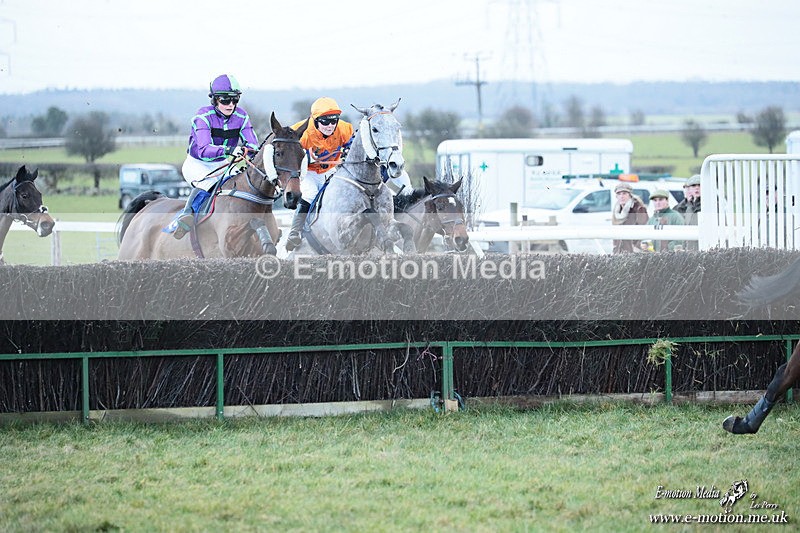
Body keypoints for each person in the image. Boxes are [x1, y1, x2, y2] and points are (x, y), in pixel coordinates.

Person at [167, 74, 259, 239]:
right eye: (225, 100)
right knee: (210, 185)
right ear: (215, 100)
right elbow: (204, 149)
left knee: (238, 188)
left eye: (235, 100)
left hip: (222, 164)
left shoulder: (242, 116)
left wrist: (248, 151)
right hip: (197, 164)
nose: (231, 105)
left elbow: (253, 145)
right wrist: (229, 150)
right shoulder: (202, 116)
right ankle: (185, 216)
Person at [285, 97, 355, 251]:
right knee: (310, 193)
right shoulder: (301, 132)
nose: (330, 125)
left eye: (334, 120)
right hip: (307, 172)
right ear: (315, 120)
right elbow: (289, 157)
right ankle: (294, 232)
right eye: (325, 121)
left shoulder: (344, 128)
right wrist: (307, 156)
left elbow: (353, 145)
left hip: (330, 170)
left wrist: (349, 150)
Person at [611, 182, 648, 254]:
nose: (621, 196)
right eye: (619, 194)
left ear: (630, 195)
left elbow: (645, 230)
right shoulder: (617, 210)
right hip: (619, 252)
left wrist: (636, 248)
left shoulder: (639, 208)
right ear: (616, 196)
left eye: (624, 193)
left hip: (633, 253)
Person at [674, 175, 701, 250]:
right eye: (693, 185)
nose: (697, 187)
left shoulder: (712, 204)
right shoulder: (689, 207)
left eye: (699, 185)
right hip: (690, 249)